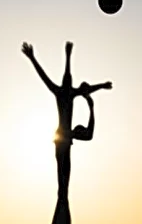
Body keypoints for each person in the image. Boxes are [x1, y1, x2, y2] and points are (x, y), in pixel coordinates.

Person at [21, 42, 111, 202]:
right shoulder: (61, 91)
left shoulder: (68, 92)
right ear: (66, 84)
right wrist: (33, 58)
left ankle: (63, 193)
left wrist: (102, 85)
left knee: (66, 171)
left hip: (66, 137)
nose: (70, 86)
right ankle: (61, 193)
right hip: (61, 136)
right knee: (62, 169)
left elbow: (85, 89)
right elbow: (44, 76)